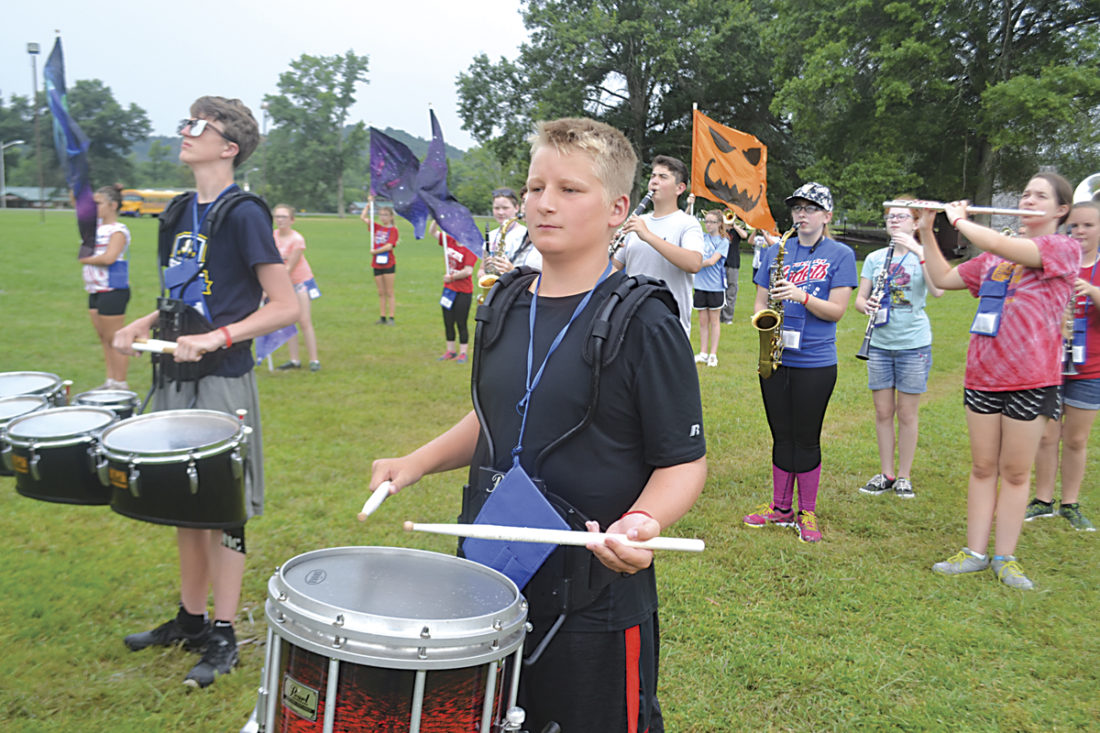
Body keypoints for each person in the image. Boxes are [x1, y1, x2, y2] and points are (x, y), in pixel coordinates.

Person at [369, 117, 706, 732]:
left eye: (570, 190)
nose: (543, 204)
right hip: (489, 585)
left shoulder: (645, 322)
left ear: (616, 209)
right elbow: (498, 415)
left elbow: (682, 459)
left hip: (593, 600)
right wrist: (412, 463)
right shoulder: (503, 303)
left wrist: (643, 521)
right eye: (534, 187)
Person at [112, 96, 299, 686]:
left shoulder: (245, 214)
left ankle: (222, 635)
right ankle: (190, 619)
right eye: (186, 123)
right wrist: (145, 322)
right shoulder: (176, 212)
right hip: (173, 371)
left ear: (229, 147)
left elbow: (284, 305)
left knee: (222, 508)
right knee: (181, 505)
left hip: (221, 376)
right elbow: (185, 293)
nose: (185, 134)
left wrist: (219, 337)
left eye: (199, 127)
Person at [921, 173, 1078, 589]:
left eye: (1039, 196)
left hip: (1031, 379)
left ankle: (1005, 557)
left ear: (1061, 210)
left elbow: (1001, 243)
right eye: (1024, 192)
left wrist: (960, 222)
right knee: (982, 466)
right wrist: (924, 231)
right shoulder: (995, 260)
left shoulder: (1063, 248)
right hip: (984, 377)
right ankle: (974, 552)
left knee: (1014, 472)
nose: (1027, 200)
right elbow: (943, 279)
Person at [742, 182, 857, 543]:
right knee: (781, 434)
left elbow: (837, 311)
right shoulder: (778, 250)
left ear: (827, 216)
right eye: (797, 209)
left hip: (816, 360)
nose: (802, 215)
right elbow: (760, 301)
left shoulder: (840, 254)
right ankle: (780, 509)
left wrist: (802, 296)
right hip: (776, 356)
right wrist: (762, 318)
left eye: (810, 208)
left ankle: (807, 510)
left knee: (806, 438)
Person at [855, 199, 944, 498]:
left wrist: (921, 251)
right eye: (890, 217)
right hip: (879, 344)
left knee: (907, 413)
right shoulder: (875, 258)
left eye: (901, 217)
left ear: (916, 223)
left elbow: (938, 289)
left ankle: (904, 475)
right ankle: (886, 473)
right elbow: (859, 299)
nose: (894, 221)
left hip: (913, 344)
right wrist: (864, 305)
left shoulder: (925, 254)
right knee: (882, 412)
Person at [1028, 200, 1100, 531]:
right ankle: (1043, 500)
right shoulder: (1056, 261)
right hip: (1051, 364)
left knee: (1075, 440)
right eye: (1074, 226)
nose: (1080, 231)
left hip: (1091, 369)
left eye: (1088, 225)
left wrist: (1092, 291)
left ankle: (1069, 503)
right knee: (1046, 436)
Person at [612, 155, 704, 335]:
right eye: (653, 176)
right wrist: (604, 250)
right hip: (629, 318)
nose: (654, 182)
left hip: (668, 325)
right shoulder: (637, 222)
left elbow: (694, 263)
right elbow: (614, 269)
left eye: (663, 177)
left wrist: (647, 236)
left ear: (680, 188)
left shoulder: (687, 223)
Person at [79, 183, 131, 390]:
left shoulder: (118, 230)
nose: (93, 208)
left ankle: (121, 384)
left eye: (98, 203)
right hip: (94, 289)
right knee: (103, 338)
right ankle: (110, 381)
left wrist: (86, 259)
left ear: (113, 205)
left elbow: (109, 258)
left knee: (114, 339)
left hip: (112, 290)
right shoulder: (94, 229)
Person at [272, 204, 321, 371]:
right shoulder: (272, 237)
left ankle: (314, 360)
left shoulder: (297, 240)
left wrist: (270, 286)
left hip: (300, 281)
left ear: (292, 220)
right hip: (282, 283)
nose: (280, 220)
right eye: (277, 216)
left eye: (284, 217)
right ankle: (294, 360)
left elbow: (289, 268)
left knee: (304, 320)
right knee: (288, 321)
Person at [430, 220, 478, 364]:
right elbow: (432, 232)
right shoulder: (449, 241)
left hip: (463, 291)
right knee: (448, 321)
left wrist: (452, 277)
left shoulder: (470, 248)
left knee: (461, 322)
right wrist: (436, 219)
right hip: (448, 290)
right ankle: (450, 350)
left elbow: (468, 271)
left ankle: (463, 353)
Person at [477, 186, 539, 286]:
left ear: (516, 208)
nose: (500, 212)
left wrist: (509, 270)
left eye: (505, 208)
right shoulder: (492, 235)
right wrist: (484, 273)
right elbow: (481, 269)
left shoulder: (526, 235)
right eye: (496, 208)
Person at [693, 210, 730, 366]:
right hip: (700, 285)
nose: (708, 224)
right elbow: (687, 221)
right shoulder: (701, 237)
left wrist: (693, 264)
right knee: (702, 321)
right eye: (706, 221)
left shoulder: (723, 241)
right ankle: (703, 352)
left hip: (715, 286)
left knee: (714, 321)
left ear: (720, 223)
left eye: (712, 222)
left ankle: (713, 354)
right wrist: (689, 205)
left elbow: (712, 261)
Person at [363, 196, 399, 325]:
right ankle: (382, 317)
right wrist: (368, 204)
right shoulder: (377, 228)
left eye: (385, 215)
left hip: (388, 263)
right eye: (381, 215)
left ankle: (391, 317)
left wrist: (375, 252)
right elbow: (363, 218)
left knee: (389, 291)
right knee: (381, 292)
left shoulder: (393, 230)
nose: (383, 217)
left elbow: (389, 246)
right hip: (376, 263)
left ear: (391, 217)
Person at [721, 215, 748, 324]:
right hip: (721, 263)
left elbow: (744, 235)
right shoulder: (721, 229)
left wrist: (734, 225)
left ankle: (727, 318)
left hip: (733, 263)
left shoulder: (737, 230)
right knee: (720, 291)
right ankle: (718, 316)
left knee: (731, 291)